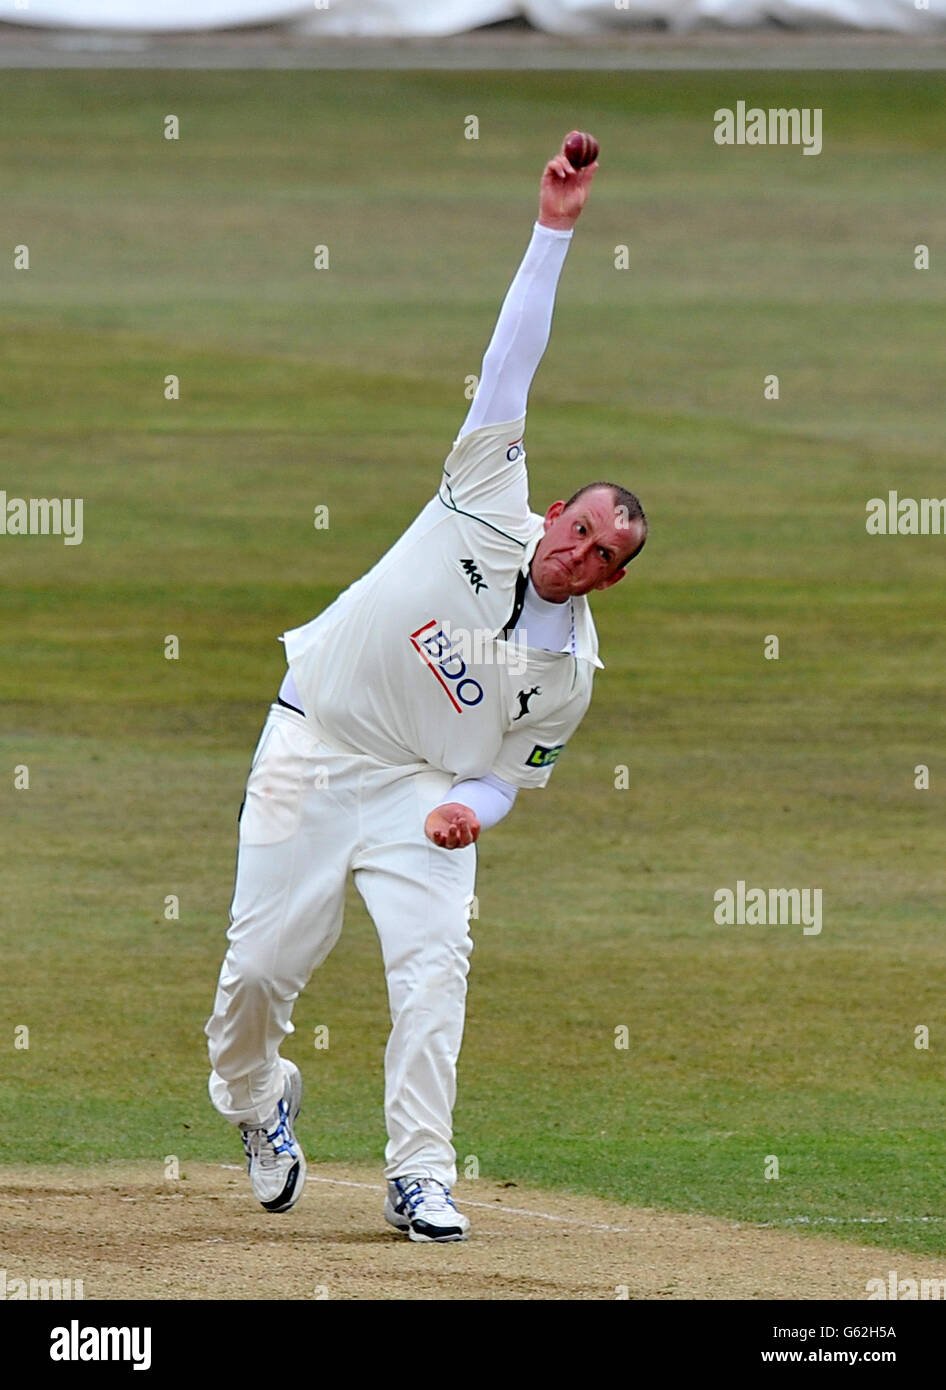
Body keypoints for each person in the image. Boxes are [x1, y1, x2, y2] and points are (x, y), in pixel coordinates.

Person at [204, 134, 647, 1243]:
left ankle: (420, 1173)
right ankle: (259, 1105)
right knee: (257, 970)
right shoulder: (483, 486)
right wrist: (554, 227)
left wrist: (469, 809)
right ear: (554, 515)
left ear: (612, 579)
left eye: (603, 555)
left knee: (432, 972)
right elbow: (514, 357)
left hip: (420, 796)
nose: (578, 552)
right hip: (311, 740)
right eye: (579, 526)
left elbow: (506, 777)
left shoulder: (567, 672)